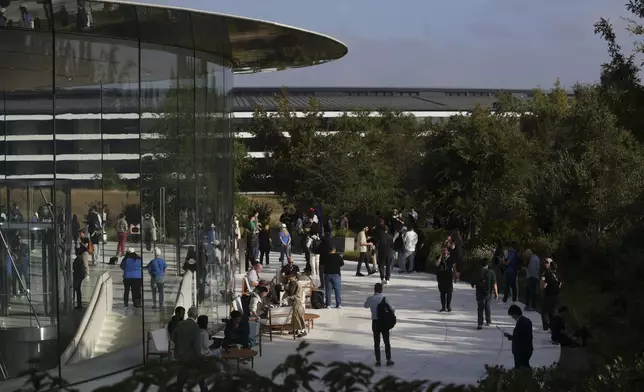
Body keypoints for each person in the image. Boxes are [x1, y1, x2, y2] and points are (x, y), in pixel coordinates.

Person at [172, 307, 208, 392]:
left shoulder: (180, 324)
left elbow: (173, 337)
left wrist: (180, 344)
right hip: (191, 356)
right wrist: (199, 356)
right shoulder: (195, 327)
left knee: (181, 374)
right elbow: (196, 345)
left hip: (180, 355)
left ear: (188, 314)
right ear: (196, 315)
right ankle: (204, 389)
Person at [364, 283, 395, 367]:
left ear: (374, 289)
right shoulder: (385, 299)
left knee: (376, 342)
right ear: (381, 290)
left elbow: (365, 306)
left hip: (375, 322)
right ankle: (388, 359)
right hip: (384, 322)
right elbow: (392, 309)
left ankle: (378, 361)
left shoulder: (371, 298)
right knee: (386, 342)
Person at [504, 304, 534, 369]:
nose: (512, 317)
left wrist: (509, 336)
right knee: (525, 366)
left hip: (521, 351)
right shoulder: (527, 320)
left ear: (515, 314)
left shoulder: (520, 323)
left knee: (520, 368)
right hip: (528, 349)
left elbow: (517, 337)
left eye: (512, 315)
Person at [472, 259, 498, 329]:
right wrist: (496, 292)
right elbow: (494, 283)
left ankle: (480, 323)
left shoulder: (478, 272)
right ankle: (488, 320)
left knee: (480, 307)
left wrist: (473, 284)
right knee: (487, 306)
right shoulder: (491, 272)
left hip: (479, 291)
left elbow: (473, 281)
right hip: (488, 292)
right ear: (487, 265)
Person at [541, 259, 562, 331]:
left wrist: (542, 282)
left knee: (545, 311)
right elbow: (560, 285)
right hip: (556, 295)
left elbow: (544, 285)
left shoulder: (547, 274)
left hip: (548, 294)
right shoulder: (558, 274)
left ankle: (546, 327)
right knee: (554, 311)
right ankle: (554, 327)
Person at [435, 247, 457, 312]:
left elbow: (454, 268)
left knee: (449, 292)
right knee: (442, 293)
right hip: (441, 277)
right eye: (443, 250)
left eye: (445, 250)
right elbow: (437, 264)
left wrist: (455, 276)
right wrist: (440, 257)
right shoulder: (439, 257)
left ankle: (448, 306)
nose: (444, 252)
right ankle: (443, 307)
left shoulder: (451, 258)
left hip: (449, 277)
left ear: (448, 251)